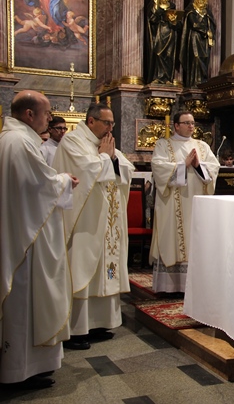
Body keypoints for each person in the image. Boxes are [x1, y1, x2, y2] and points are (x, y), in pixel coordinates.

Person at [0, 90, 77, 389]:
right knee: (24, 300)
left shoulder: (11, 138)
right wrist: (65, 180)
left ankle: (24, 366)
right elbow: (40, 185)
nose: (49, 119)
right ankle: (19, 371)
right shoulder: (19, 142)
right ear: (29, 114)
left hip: (18, 229)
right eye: (46, 113)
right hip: (25, 240)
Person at [52, 103, 134, 350]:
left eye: (113, 123)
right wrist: (105, 157)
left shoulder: (106, 143)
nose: (111, 128)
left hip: (107, 222)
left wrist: (111, 158)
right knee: (83, 268)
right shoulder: (72, 141)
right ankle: (77, 329)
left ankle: (100, 323)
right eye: (107, 122)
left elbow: (126, 169)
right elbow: (86, 171)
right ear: (91, 121)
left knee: (105, 271)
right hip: (85, 221)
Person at [150, 111, 220, 293]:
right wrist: (183, 165)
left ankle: (196, 284)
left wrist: (197, 166)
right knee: (172, 239)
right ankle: (171, 286)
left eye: (193, 123)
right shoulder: (164, 145)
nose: (191, 126)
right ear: (176, 126)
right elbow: (158, 167)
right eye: (187, 123)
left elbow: (214, 168)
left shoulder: (202, 146)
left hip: (197, 201)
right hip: (172, 205)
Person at [180, 0, 216, 88]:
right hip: (194, 39)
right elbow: (194, 24)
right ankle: (194, 82)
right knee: (196, 58)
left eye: (203, 0)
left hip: (204, 41)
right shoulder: (191, 11)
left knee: (205, 58)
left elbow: (212, 26)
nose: (201, 2)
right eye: (199, 0)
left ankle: (202, 81)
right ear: (196, 0)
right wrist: (205, 31)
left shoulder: (207, 13)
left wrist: (211, 35)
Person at [146, 0, 179, 85]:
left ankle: (167, 78)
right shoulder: (154, 5)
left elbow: (178, 24)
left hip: (170, 33)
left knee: (169, 55)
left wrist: (174, 21)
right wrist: (156, 7)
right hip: (159, 32)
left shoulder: (172, 6)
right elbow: (152, 19)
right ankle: (157, 77)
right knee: (158, 53)